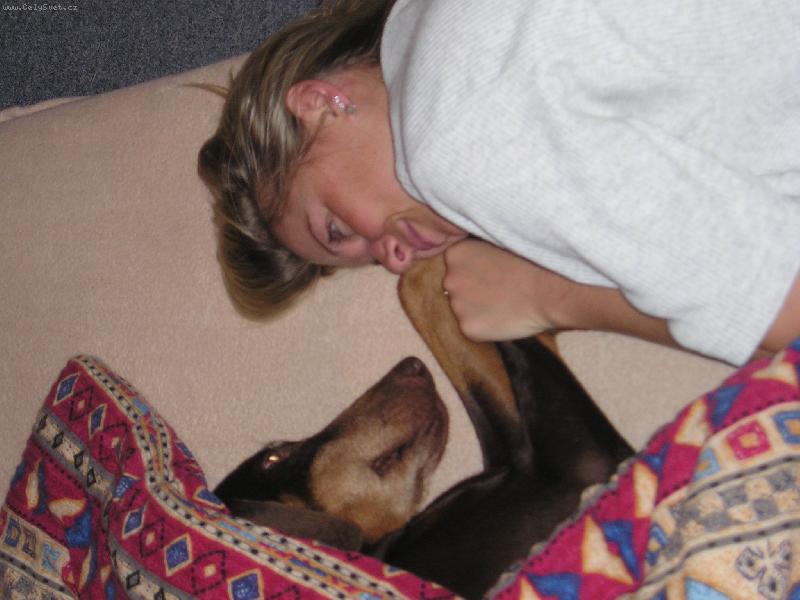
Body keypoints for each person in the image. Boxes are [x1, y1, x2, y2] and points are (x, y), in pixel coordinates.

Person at [198, 0, 800, 366]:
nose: (395, 259)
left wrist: (549, 296)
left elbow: (782, 308)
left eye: (336, 229)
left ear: (321, 103)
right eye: (370, 259)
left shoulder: (452, 140)